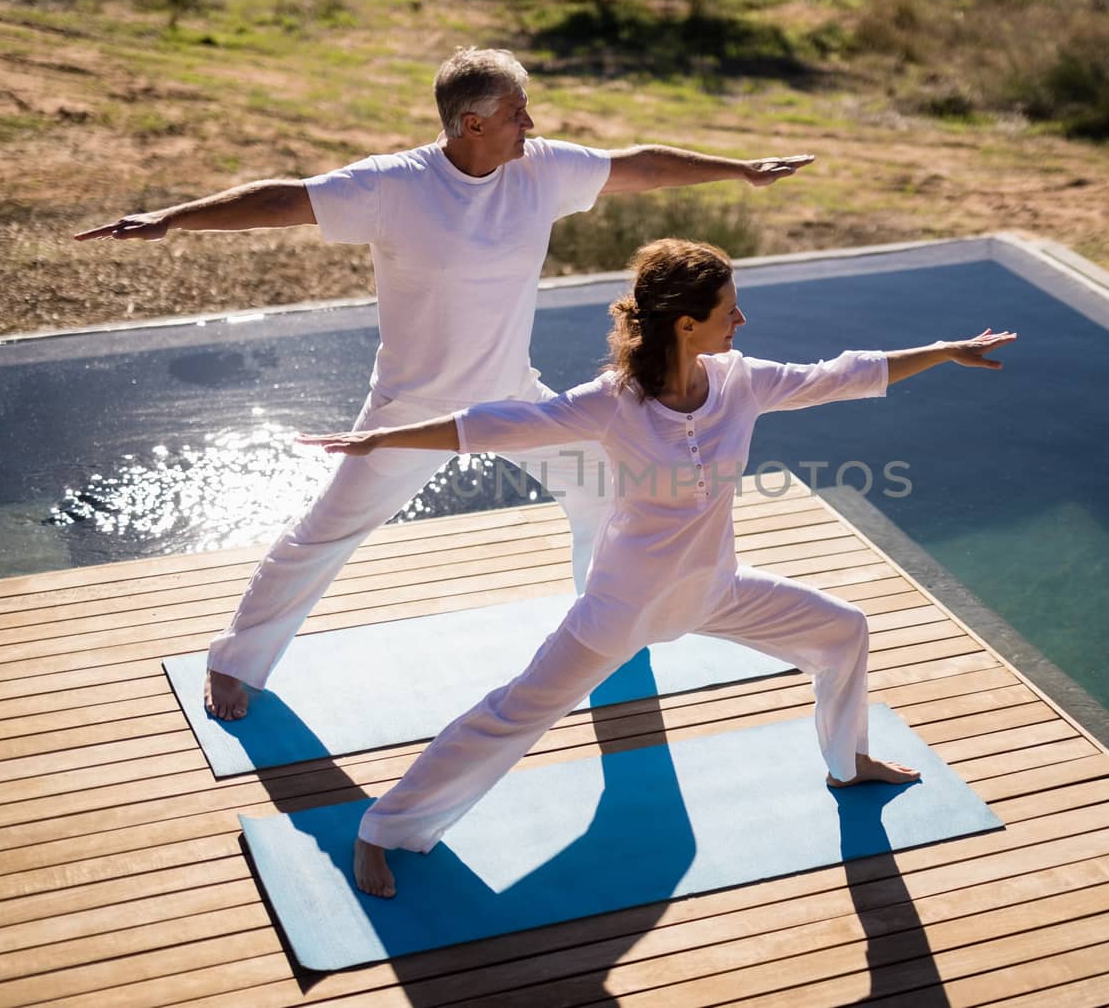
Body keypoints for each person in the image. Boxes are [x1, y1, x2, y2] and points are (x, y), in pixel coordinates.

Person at [75, 47, 816, 721]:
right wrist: (172, 220)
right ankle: (236, 659)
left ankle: (607, 623)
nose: (531, 123)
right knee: (328, 532)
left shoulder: (542, 169)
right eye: (516, 113)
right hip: (412, 406)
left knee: (599, 489)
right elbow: (282, 200)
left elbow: (640, 165)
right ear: (471, 122)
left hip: (513, 394)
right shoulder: (392, 185)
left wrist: (738, 170)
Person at [299, 237, 1018, 897]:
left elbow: (842, 374)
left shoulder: (741, 381)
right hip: (623, 607)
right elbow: (491, 424)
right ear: (685, 324)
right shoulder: (615, 403)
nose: (742, 320)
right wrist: (382, 437)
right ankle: (381, 828)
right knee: (515, 712)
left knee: (843, 631)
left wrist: (945, 348)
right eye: (729, 310)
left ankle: (848, 760)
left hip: (715, 588)